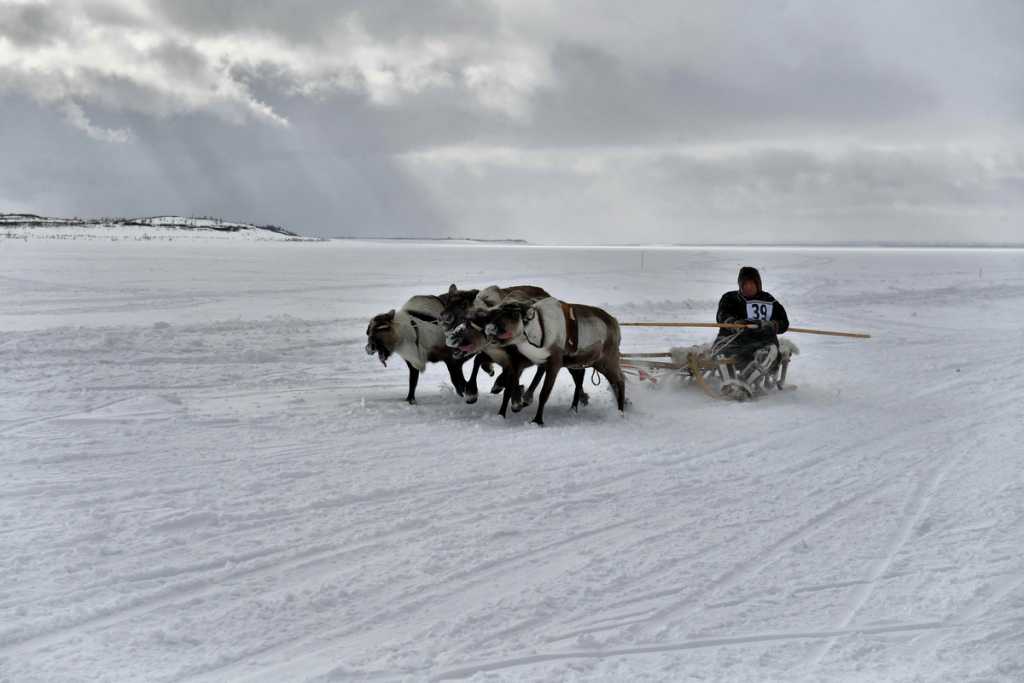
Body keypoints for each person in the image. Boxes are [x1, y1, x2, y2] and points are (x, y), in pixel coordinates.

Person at [714, 266, 789, 390]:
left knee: (770, 352)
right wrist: (734, 324)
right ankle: (729, 386)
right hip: (733, 341)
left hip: (762, 343)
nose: (748, 287)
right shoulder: (730, 298)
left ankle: (744, 384)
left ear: (758, 284)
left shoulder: (769, 300)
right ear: (740, 285)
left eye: (752, 283)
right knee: (721, 354)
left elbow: (784, 323)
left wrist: (771, 325)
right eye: (745, 284)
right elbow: (721, 315)